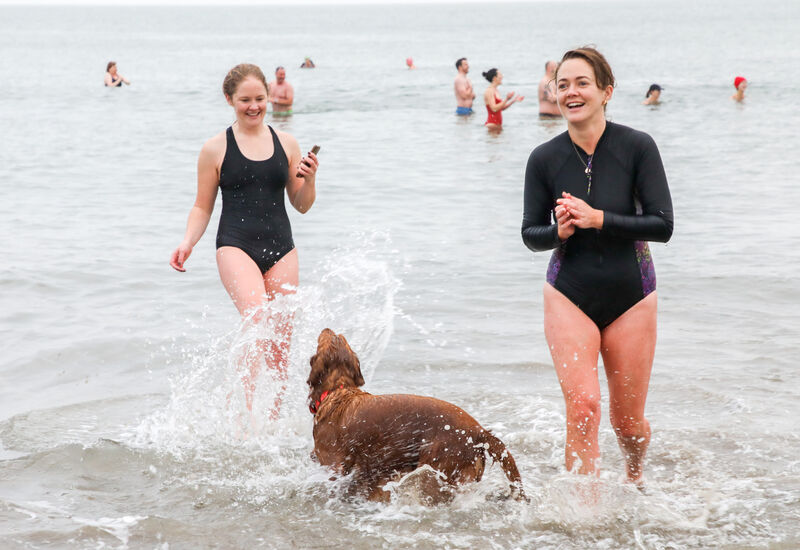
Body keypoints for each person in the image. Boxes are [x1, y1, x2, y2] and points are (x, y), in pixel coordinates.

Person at [521, 47, 673, 485]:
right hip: (569, 291)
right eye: (562, 84)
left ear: (606, 91)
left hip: (633, 294)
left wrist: (598, 219)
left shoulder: (637, 147)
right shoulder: (544, 158)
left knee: (628, 424)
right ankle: (582, 520)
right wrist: (560, 233)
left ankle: (635, 473)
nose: (571, 92)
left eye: (582, 83)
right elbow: (531, 234)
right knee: (584, 408)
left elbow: (662, 226)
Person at [170, 63, 319, 415]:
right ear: (229, 100)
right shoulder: (215, 148)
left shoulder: (287, 143)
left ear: (269, 97)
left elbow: (301, 205)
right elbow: (201, 206)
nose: (254, 106)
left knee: (280, 344)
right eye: (245, 100)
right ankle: (242, 418)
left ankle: (272, 424)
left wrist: (310, 180)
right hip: (235, 245)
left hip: (282, 249)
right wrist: (188, 242)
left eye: (260, 99)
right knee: (256, 322)